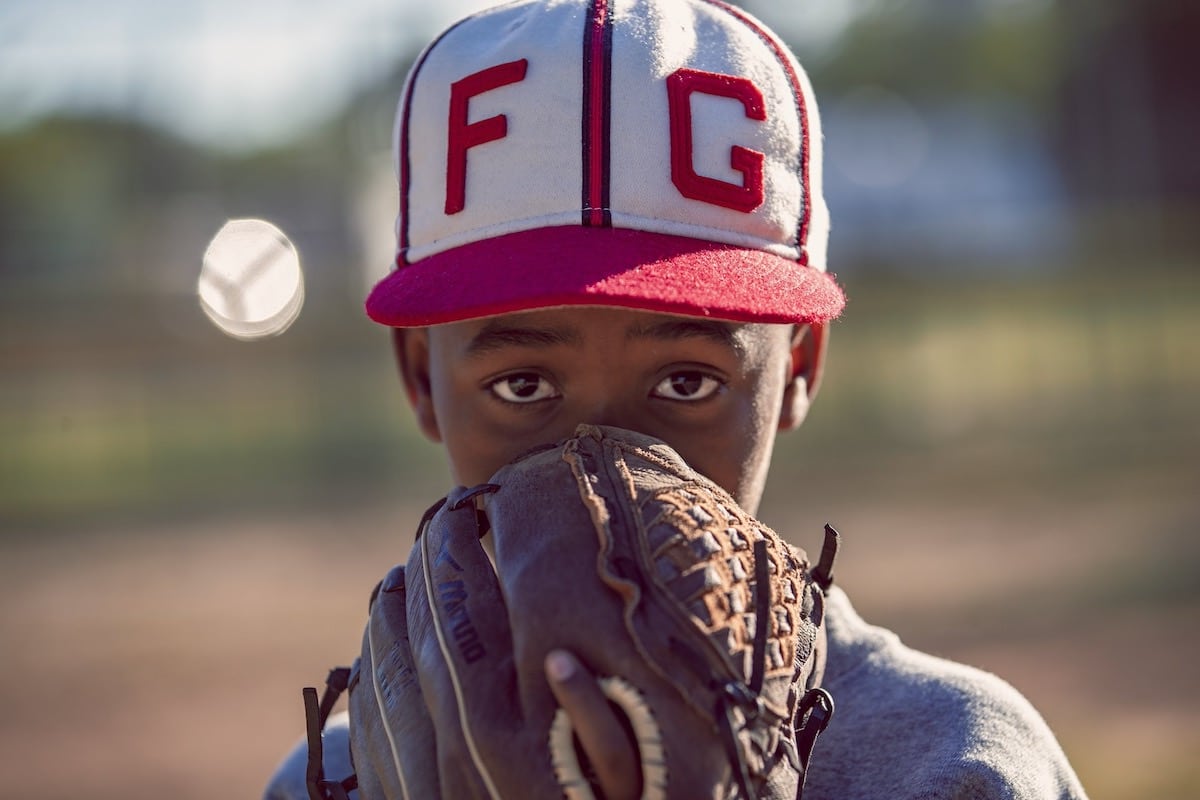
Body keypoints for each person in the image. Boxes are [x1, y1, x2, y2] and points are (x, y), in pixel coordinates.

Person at [266, 0, 1089, 797]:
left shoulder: (957, 762)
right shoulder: (343, 782)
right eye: (524, 386)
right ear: (419, 378)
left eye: (684, 382)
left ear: (798, 363)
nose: (605, 479)